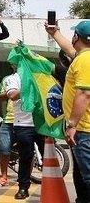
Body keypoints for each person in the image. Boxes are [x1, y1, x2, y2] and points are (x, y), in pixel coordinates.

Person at [62, 20, 90, 203]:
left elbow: (85, 94)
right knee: (80, 177)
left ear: (76, 37)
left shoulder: (85, 60)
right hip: (84, 129)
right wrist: (54, 33)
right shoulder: (83, 57)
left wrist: (72, 125)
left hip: (84, 130)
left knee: (88, 177)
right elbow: (71, 51)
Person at [5, 63, 42, 200]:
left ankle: (52, 186)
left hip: (41, 123)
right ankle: (23, 187)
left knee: (49, 158)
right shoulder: (13, 78)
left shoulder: (40, 76)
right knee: (26, 157)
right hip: (23, 124)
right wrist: (30, 86)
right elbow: (13, 95)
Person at [0, 73, 15, 188]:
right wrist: (9, 94)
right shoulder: (7, 79)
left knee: (26, 151)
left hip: (26, 121)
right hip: (8, 119)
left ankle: (24, 178)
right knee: (4, 149)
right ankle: (4, 177)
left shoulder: (29, 75)